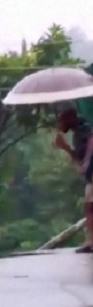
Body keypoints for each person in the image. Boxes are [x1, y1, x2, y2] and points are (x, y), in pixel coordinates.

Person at [55, 108, 93, 252]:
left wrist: (87, 161)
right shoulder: (76, 134)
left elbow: (92, 139)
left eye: (62, 121)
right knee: (89, 206)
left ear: (70, 118)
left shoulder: (84, 125)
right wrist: (65, 147)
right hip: (90, 176)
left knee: (90, 206)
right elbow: (77, 158)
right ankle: (91, 241)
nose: (60, 125)